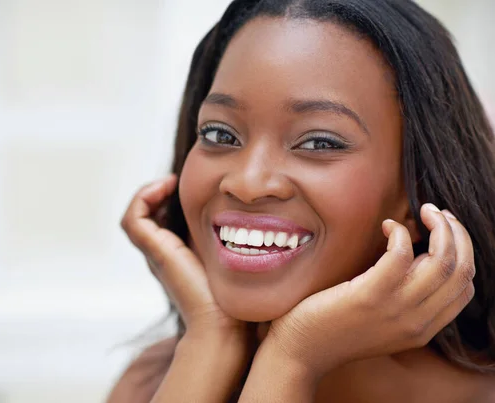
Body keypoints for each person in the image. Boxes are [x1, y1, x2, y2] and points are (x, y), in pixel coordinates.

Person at [109, 0, 495, 401]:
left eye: (319, 142)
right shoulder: (152, 383)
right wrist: (211, 337)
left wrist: (292, 359)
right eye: (220, 134)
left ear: (420, 189)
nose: (248, 182)